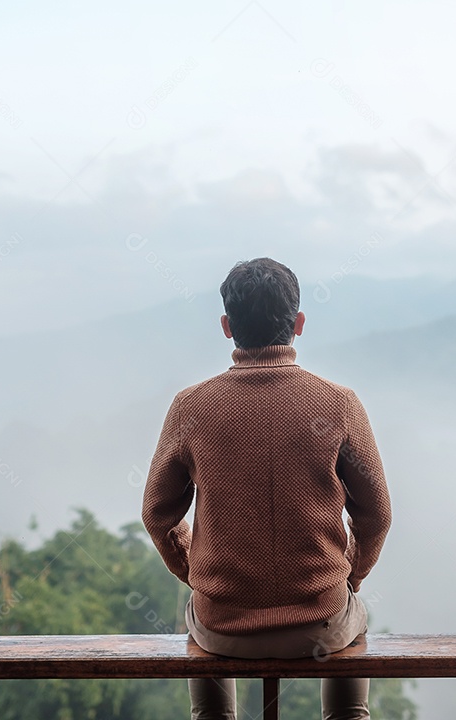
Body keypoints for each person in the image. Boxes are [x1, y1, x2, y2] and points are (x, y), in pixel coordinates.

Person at [141, 257, 392, 720]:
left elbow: (157, 514)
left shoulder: (191, 408)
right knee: (354, 634)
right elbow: (376, 514)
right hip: (321, 623)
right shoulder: (338, 404)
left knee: (203, 668)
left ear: (226, 326)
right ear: (298, 324)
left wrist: (196, 574)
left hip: (222, 624)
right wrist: (349, 577)